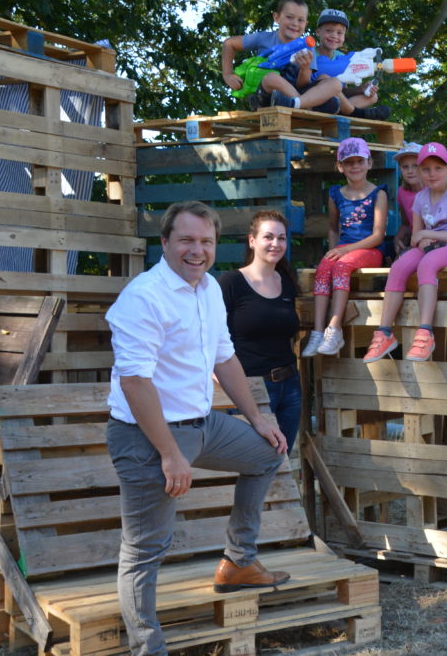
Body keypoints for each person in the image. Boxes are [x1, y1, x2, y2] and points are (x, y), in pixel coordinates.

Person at [105, 201, 289, 655]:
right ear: (164, 242)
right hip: (148, 437)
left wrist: (257, 418)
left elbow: (224, 357)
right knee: (146, 548)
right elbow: (134, 380)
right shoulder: (143, 296)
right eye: (186, 240)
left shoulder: (208, 288)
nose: (197, 250)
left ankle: (239, 563)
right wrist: (170, 453)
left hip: (202, 425)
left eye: (205, 241)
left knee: (268, 453)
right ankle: (148, 648)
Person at [362, 142, 447, 363]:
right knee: (399, 266)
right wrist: (421, 240)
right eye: (426, 169)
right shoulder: (421, 198)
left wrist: (426, 236)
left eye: (438, 168)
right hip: (430, 247)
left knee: (427, 264)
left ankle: (425, 332)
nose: (432, 174)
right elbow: (414, 236)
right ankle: (384, 332)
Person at [219, 211, 302, 449]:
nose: (276, 244)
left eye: (281, 238)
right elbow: (208, 332)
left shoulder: (286, 281)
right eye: (268, 237)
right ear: (252, 240)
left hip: (290, 386)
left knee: (282, 463)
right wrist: (213, 370)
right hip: (250, 388)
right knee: (255, 462)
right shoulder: (231, 282)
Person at [302, 137, 388, 357]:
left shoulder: (378, 194)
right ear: (340, 167)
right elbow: (333, 228)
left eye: (360, 161)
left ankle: (334, 328)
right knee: (324, 268)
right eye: (349, 162)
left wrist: (344, 251)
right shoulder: (336, 195)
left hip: (370, 250)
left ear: (369, 163)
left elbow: (378, 236)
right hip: (344, 251)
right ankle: (318, 331)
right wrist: (332, 253)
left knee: (340, 267)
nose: (355, 166)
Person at [221, 0, 343, 113]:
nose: (295, 23)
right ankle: (309, 107)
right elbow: (229, 44)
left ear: (305, 24)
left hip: (293, 96)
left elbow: (303, 84)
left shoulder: (307, 48)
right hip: (265, 97)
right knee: (271, 78)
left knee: (334, 83)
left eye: (300, 20)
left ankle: (298, 104)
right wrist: (227, 74)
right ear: (277, 18)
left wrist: (305, 69)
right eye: (289, 17)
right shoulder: (263, 38)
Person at [309, 8, 391, 120]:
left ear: (344, 36)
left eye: (339, 33)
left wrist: (361, 89)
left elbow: (343, 91)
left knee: (372, 97)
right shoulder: (310, 53)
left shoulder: (342, 57)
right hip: (313, 99)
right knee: (325, 78)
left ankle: (342, 112)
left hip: (335, 103)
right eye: (329, 31)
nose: (334, 36)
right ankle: (357, 113)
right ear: (318, 32)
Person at [392, 141, 424, 258]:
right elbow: (406, 223)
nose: (410, 171)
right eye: (405, 167)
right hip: (415, 240)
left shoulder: (432, 189)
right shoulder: (402, 192)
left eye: (415, 166)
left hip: (434, 239)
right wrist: (398, 237)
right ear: (400, 168)